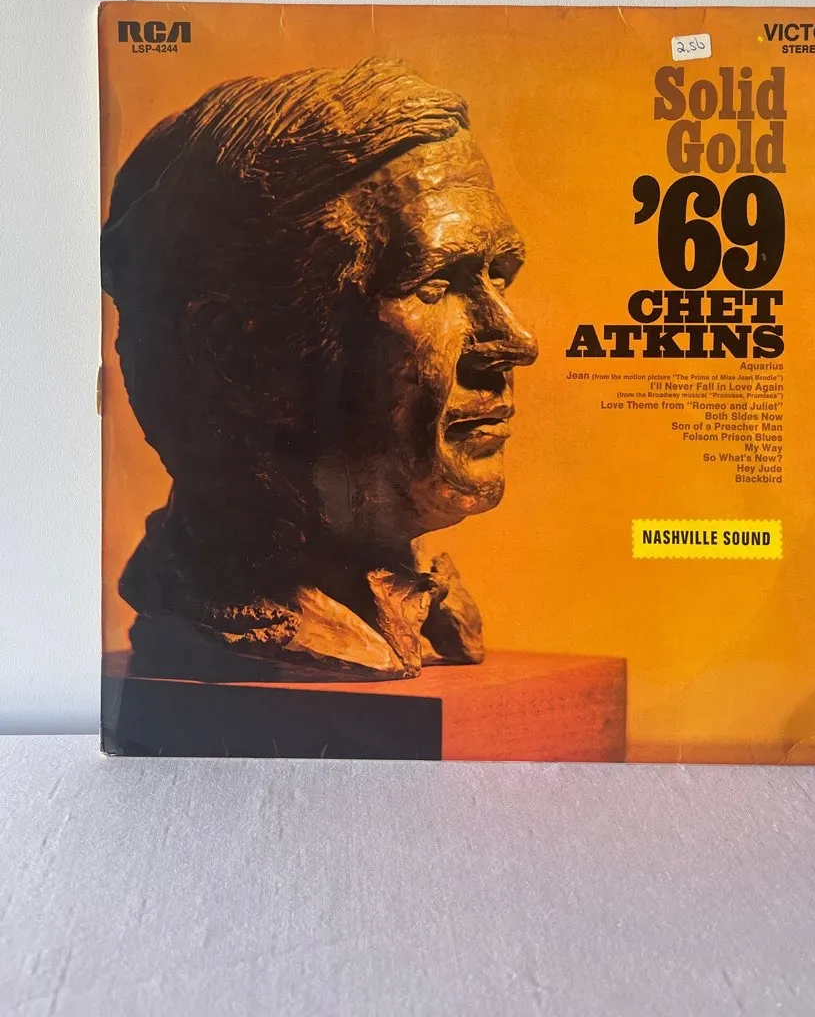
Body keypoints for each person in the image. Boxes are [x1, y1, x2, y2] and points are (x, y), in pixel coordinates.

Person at [101, 57, 538, 681]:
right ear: (237, 354)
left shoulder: (417, 588)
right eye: (435, 285)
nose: (516, 343)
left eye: (500, 276)